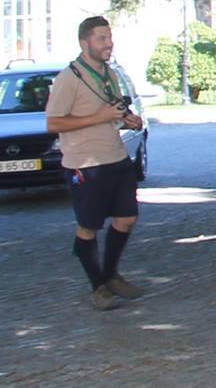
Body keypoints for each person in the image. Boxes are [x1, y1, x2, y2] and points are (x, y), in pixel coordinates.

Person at [46, 16, 146, 310]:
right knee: (88, 225)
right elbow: (53, 123)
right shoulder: (68, 78)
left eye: (109, 37)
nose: (109, 43)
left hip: (116, 156)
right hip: (84, 163)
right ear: (84, 43)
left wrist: (128, 120)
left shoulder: (109, 74)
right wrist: (98, 117)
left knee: (127, 218)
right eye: (101, 38)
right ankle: (98, 287)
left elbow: (112, 112)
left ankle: (111, 275)